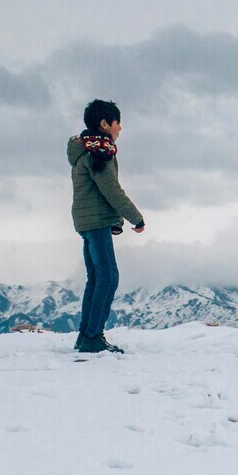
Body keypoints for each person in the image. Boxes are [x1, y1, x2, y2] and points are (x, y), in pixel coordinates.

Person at [67, 100, 145, 354]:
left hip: (86, 221)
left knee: (96, 278)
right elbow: (111, 189)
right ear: (105, 124)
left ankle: (85, 336)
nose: (120, 128)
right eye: (117, 123)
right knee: (109, 277)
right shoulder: (99, 152)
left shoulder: (85, 149)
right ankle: (92, 336)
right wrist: (136, 217)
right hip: (97, 221)